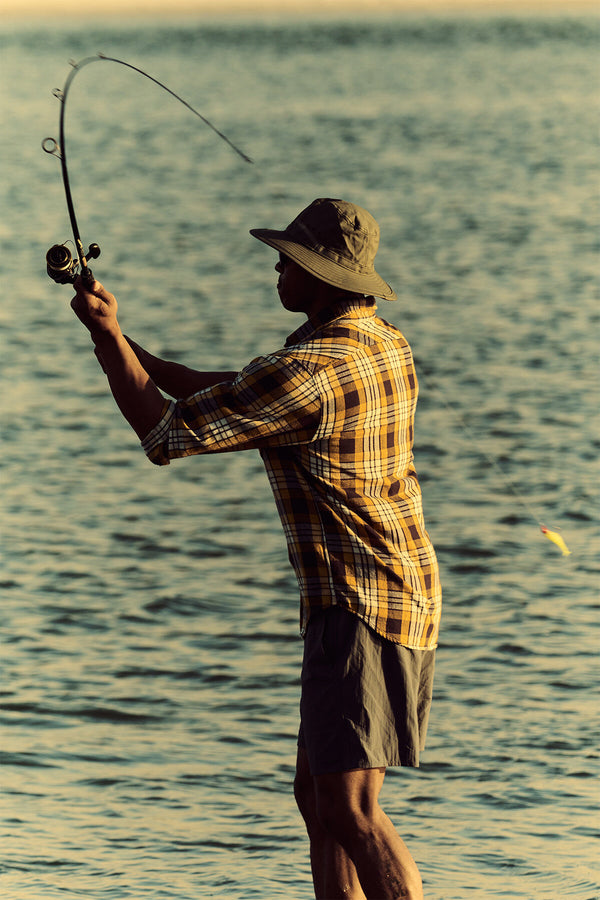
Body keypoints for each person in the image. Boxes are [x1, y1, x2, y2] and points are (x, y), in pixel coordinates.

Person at [71, 197, 442, 900]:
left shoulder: (303, 370)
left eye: (288, 260)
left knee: (352, 810)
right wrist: (120, 338)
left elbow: (163, 434)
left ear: (322, 275)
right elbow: (233, 394)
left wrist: (104, 342)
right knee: (319, 799)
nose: (276, 269)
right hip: (398, 591)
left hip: (360, 604)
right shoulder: (381, 342)